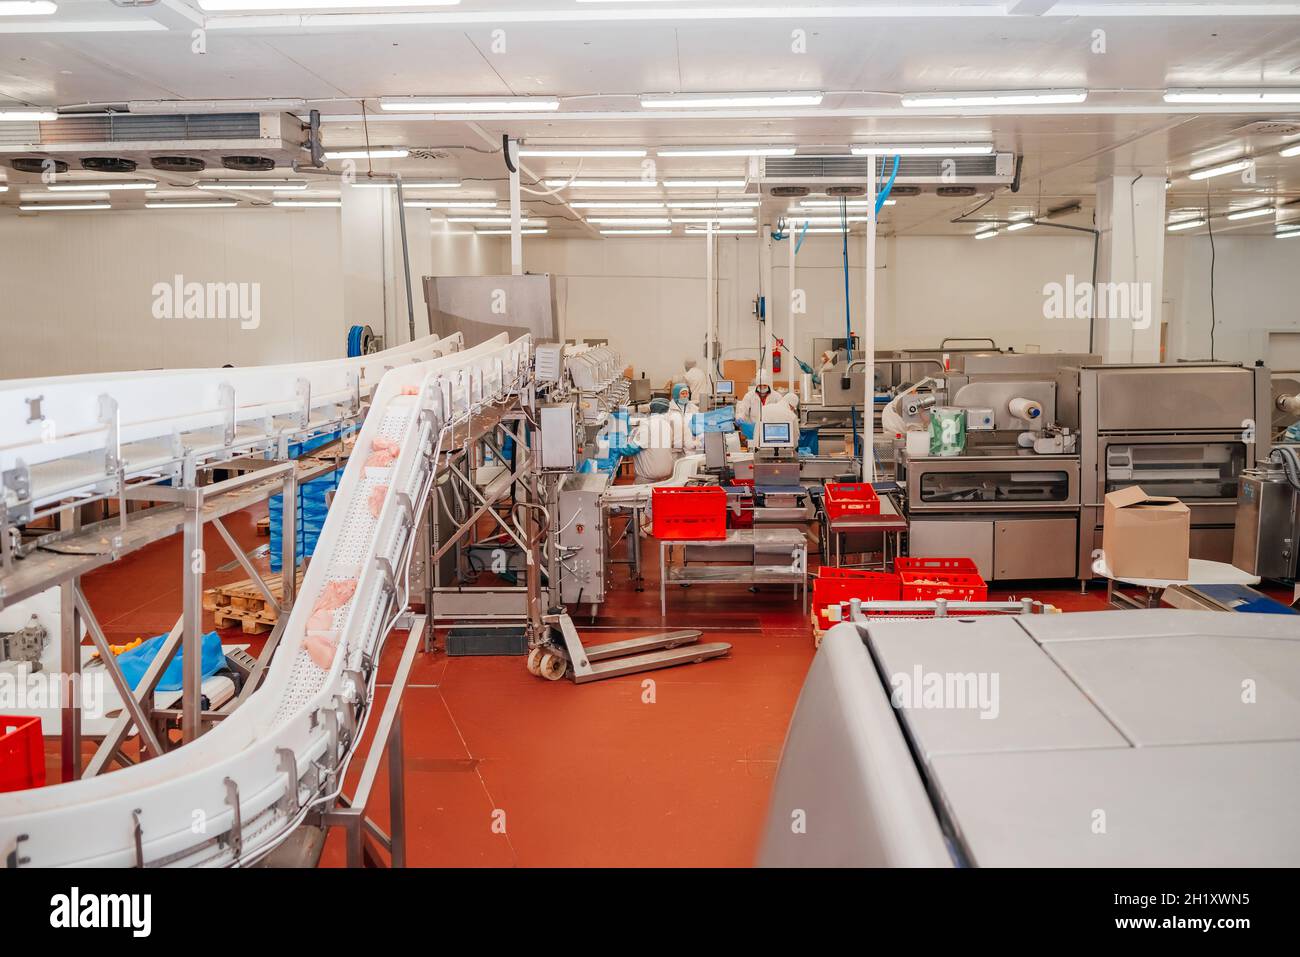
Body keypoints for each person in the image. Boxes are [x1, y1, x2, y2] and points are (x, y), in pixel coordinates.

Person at [633, 383, 700, 481]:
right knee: (672, 476)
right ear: (676, 394)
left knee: (687, 475)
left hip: (689, 448)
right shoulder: (668, 409)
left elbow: (697, 426)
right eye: (683, 394)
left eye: (687, 394)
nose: (685, 396)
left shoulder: (694, 408)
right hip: (673, 449)